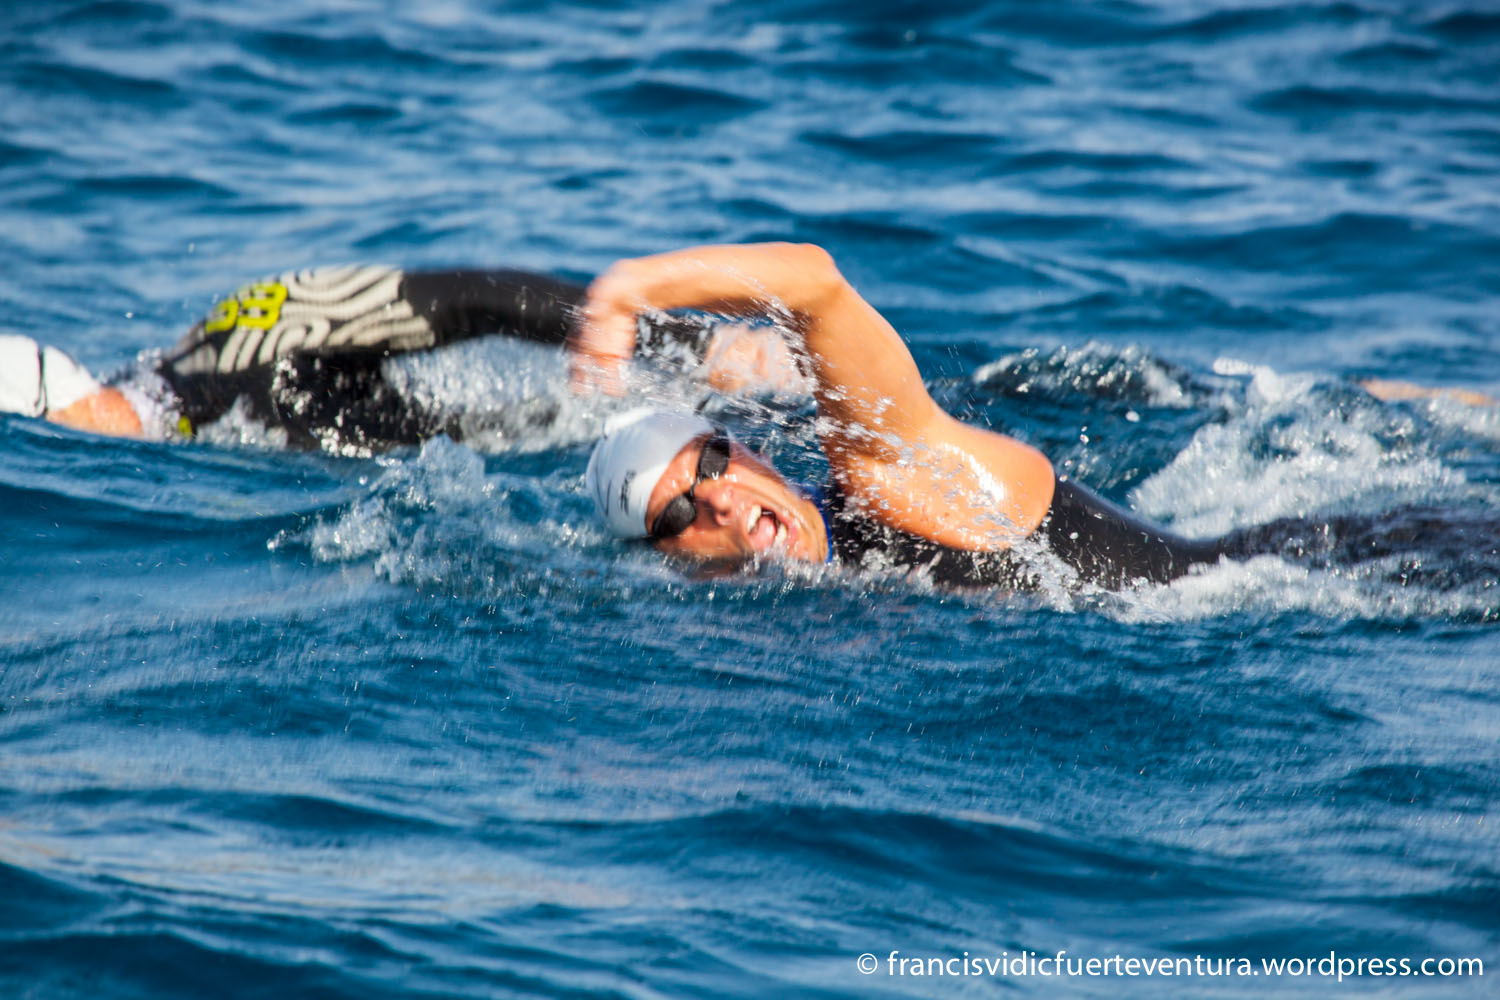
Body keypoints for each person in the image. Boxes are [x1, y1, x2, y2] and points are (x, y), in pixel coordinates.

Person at [573, 242, 1495, 591]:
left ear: (748, 452)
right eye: (676, 515)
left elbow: (815, 284)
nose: (717, 503)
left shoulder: (888, 484)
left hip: (1381, 568)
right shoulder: (795, 601)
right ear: (673, 560)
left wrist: (631, 287)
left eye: (708, 469)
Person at [0, 264, 799, 452]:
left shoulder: (262, 347)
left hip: (706, 413)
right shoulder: (166, 413)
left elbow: (473, 298)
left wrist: (689, 346)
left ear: (58, 409)